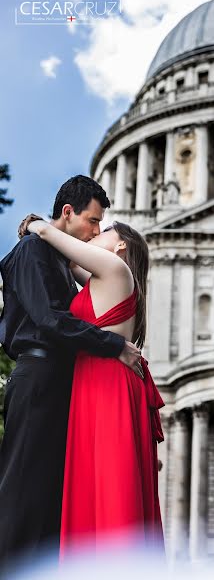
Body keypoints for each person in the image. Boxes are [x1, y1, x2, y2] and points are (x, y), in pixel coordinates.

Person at [0, 176, 142, 566]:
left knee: (49, 496)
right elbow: (49, 320)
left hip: (60, 384)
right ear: (68, 213)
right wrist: (113, 345)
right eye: (94, 222)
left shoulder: (61, 259)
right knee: (22, 489)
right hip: (38, 378)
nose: (96, 231)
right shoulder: (32, 250)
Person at [23, 217, 165, 556]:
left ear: (121, 246)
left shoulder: (115, 269)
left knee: (108, 479)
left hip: (105, 381)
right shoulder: (108, 277)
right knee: (99, 480)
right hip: (100, 378)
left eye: (104, 231)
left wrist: (33, 225)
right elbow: (71, 261)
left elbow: (46, 233)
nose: (95, 233)